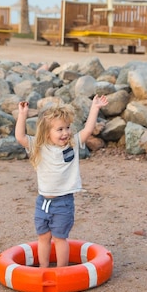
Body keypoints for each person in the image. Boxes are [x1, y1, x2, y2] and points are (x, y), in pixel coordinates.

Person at [15, 95, 109, 268]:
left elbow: (87, 130)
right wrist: (22, 115)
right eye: (59, 129)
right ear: (47, 132)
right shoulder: (38, 146)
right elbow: (20, 137)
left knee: (59, 238)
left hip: (63, 202)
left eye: (67, 128)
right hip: (42, 202)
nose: (65, 132)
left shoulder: (72, 145)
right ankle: (43, 268)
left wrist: (95, 108)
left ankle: (61, 270)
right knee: (43, 237)